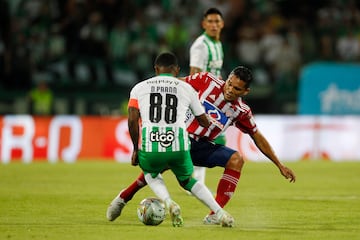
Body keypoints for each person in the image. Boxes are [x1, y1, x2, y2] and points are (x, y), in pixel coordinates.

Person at [106, 65, 296, 225]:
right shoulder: (206, 80)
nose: (230, 90)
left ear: (246, 92)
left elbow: (257, 136)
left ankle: (214, 214)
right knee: (159, 166)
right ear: (227, 78)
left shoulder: (241, 111)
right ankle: (124, 197)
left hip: (202, 146)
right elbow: (175, 83)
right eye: (229, 84)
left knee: (236, 160)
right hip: (178, 136)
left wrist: (279, 164)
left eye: (237, 89)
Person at [107, 52, 234, 227]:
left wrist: (136, 149)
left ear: (156, 69)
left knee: (150, 173)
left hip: (151, 143)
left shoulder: (139, 87)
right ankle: (220, 213)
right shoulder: (187, 88)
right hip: (179, 144)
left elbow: (132, 120)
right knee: (188, 180)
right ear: (177, 70)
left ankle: (168, 202)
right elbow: (203, 121)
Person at [189, 7, 225, 184]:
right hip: (202, 101)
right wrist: (195, 104)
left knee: (211, 137)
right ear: (203, 24)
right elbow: (194, 75)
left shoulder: (217, 44)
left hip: (214, 101)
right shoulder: (201, 45)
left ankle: (196, 180)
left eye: (217, 21)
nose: (213, 25)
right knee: (206, 138)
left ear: (222, 24)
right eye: (210, 21)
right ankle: (193, 180)